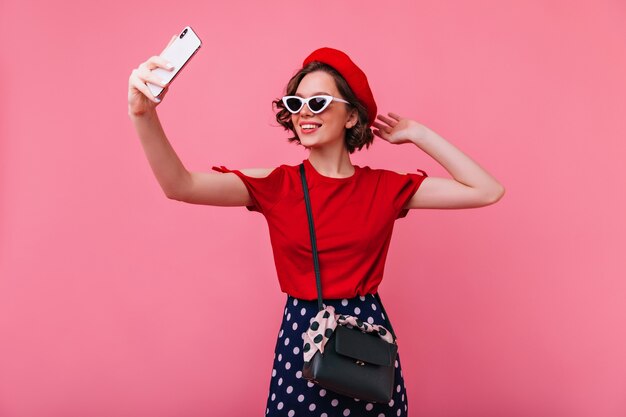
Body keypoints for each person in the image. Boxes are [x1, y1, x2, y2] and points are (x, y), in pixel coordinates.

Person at [128, 40, 505, 417]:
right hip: (301, 343)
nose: (304, 112)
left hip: (367, 346)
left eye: (319, 102)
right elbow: (180, 185)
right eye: (295, 103)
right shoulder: (279, 185)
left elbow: (487, 190)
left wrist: (419, 135)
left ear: (352, 116)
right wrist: (143, 113)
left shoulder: (384, 188)